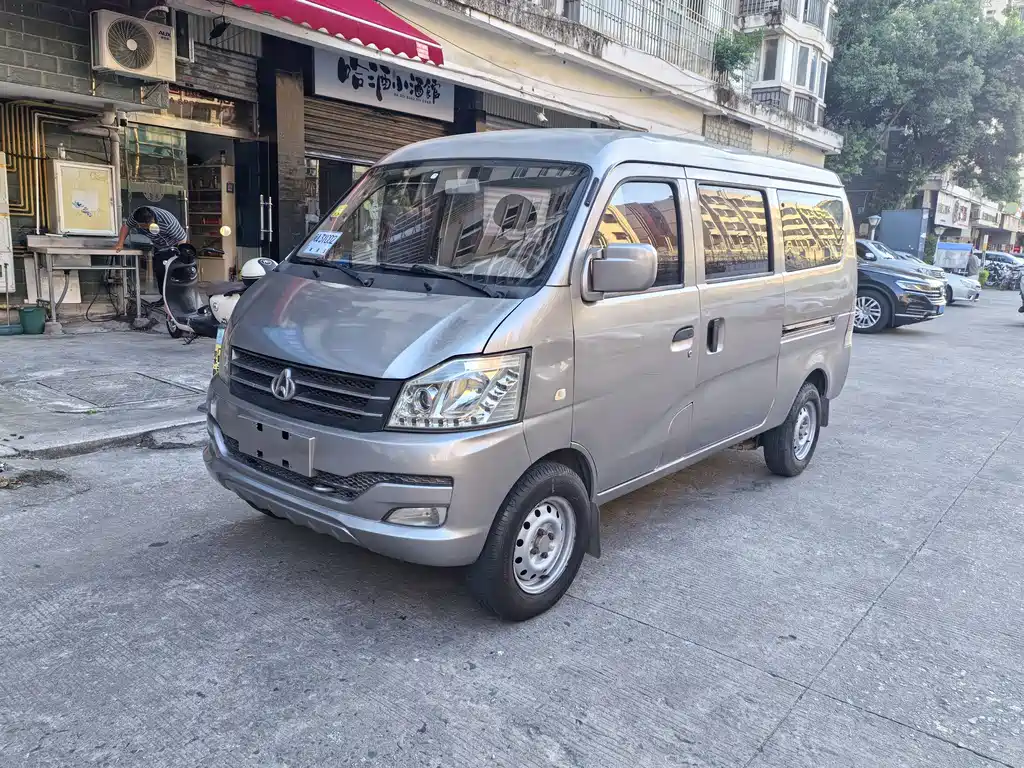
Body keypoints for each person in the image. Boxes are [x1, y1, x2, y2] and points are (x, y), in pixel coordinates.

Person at [114, 206, 187, 252]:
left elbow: (182, 238)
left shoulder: (168, 222)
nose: (147, 229)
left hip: (174, 245)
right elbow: (126, 226)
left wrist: (180, 253)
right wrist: (120, 243)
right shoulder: (135, 217)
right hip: (156, 244)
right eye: (143, 226)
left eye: (148, 226)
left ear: (152, 220)